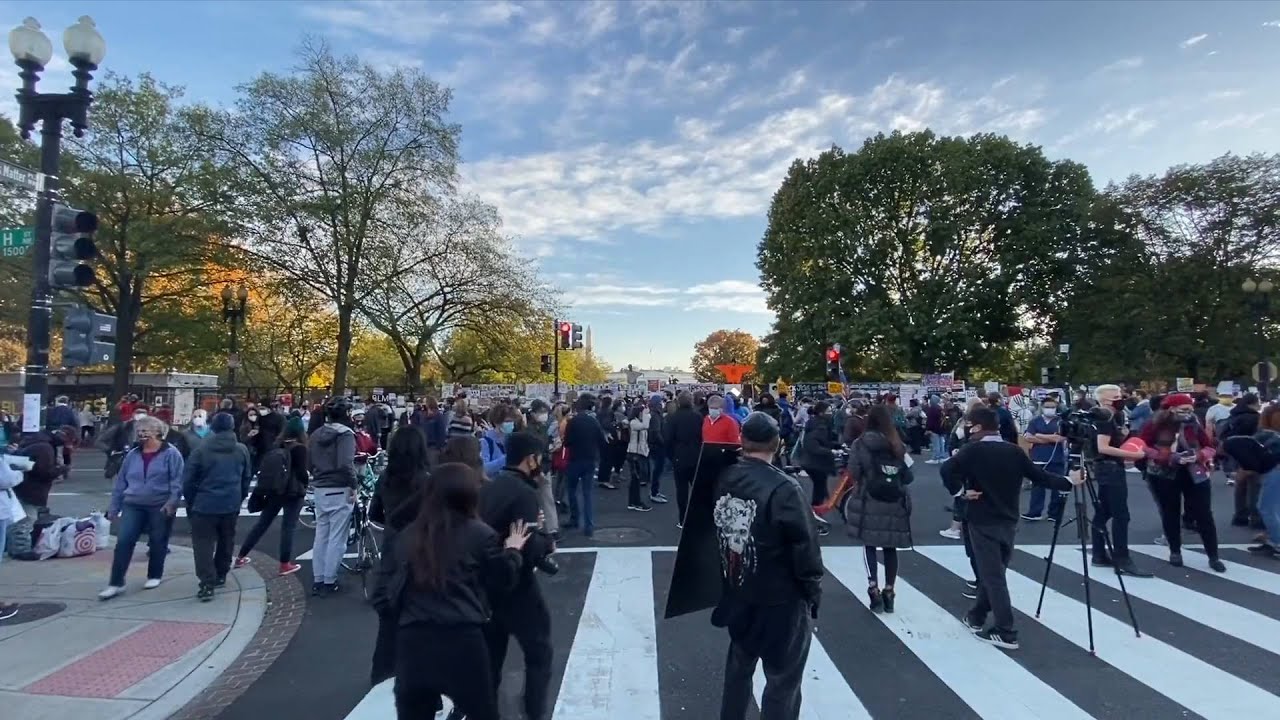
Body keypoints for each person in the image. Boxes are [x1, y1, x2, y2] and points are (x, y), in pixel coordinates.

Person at [373, 463, 531, 720]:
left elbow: (381, 594)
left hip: (413, 641)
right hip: (463, 638)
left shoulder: (406, 537)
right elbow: (503, 579)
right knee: (482, 711)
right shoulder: (480, 534)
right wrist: (513, 551)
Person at [941, 406, 1082, 650]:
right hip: (1008, 518)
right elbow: (1039, 476)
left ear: (975, 427)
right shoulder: (1014, 450)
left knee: (992, 576)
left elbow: (947, 470)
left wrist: (961, 492)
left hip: (981, 517)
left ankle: (1006, 631)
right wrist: (1069, 481)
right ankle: (976, 616)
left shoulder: (972, 450)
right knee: (994, 572)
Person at [712, 412, 823, 720]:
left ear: (742, 440)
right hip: (780, 599)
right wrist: (813, 591)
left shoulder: (723, 474)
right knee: (782, 680)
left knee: (738, 668)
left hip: (738, 587)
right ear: (778, 443)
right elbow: (806, 548)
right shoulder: (785, 488)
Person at [480, 432, 556, 720]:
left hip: (486, 586)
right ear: (530, 458)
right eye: (539, 457)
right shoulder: (525, 493)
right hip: (518, 587)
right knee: (539, 654)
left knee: (491, 660)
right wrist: (546, 543)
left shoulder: (489, 487)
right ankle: (534, 712)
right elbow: (529, 546)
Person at [1138, 393, 1224, 572]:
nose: (1188, 413)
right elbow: (1142, 446)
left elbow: (1209, 447)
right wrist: (1169, 457)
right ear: (1170, 409)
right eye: (1184, 410)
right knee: (1170, 513)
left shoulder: (1194, 424)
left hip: (1195, 472)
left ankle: (1213, 556)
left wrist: (1198, 456)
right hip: (1163, 473)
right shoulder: (1153, 425)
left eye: (1190, 409)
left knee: (1204, 514)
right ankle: (1175, 551)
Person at [101, 416, 184, 600]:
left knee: (157, 540)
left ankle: (154, 574)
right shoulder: (132, 454)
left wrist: (172, 502)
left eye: (145, 431)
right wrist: (114, 507)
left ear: (157, 432)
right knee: (124, 541)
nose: (141, 434)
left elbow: (177, 481)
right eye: (139, 431)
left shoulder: (171, 454)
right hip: (133, 503)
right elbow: (121, 482)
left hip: (159, 504)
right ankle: (116, 582)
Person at [844, 404, 914, 613]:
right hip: (894, 499)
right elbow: (908, 476)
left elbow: (854, 471)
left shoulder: (861, 443)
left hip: (869, 497)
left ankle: (873, 587)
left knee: (870, 545)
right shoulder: (897, 444)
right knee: (890, 547)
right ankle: (890, 590)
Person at [183, 412, 253, 601]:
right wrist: (240, 496)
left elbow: (188, 479)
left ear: (212, 428)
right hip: (230, 502)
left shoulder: (201, 450)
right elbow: (246, 476)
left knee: (203, 544)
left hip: (204, 503)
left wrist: (191, 500)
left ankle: (207, 581)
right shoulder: (241, 450)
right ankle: (221, 573)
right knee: (226, 539)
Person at [1085, 384, 1152, 577]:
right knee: (1121, 515)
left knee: (1103, 512)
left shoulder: (1111, 417)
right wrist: (1132, 454)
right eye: (1116, 396)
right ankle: (1122, 558)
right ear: (1105, 400)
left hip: (1106, 468)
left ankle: (1098, 554)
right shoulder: (1105, 418)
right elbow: (1103, 447)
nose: (1120, 398)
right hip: (1110, 468)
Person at [234, 422, 309, 577]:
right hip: (293, 492)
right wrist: (306, 483)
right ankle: (284, 563)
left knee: (262, 523)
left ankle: (241, 556)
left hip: (275, 490)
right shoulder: (300, 448)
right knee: (288, 527)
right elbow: (302, 472)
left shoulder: (277, 446)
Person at [309, 399, 358, 596]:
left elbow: (308, 461)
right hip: (340, 486)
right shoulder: (345, 435)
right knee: (337, 537)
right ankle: (330, 580)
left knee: (321, 535)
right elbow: (346, 463)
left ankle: (318, 578)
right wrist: (354, 484)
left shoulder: (315, 434)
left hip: (320, 487)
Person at [563, 395, 605, 538]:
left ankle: (574, 518)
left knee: (572, 490)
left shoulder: (572, 422)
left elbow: (566, 442)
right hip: (590, 459)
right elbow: (601, 440)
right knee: (587, 494)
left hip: (574, 459)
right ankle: (589, 525)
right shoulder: (594, 422)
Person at [1022, 395, 1069, 522]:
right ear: (1042, 408)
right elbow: (1027, 437)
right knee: (1037, 486)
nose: (1050, 409)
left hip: (1056, 457)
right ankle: (1035, 512)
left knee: (1057, 486)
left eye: (1052, 407)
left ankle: (1054, 514)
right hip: (1038, 457)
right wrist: (1049, 438)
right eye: (1047, 407)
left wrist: (1039, 435)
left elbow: (1060, 438)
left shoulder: (1060, 421)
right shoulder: (1035, 421)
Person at [664, 391, 704, 529]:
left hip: (679, 457)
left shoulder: (672, 418)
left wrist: (671, 456)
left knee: (681, 491)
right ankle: (699, 518)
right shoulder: (698, 417)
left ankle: (683, 519)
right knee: (697, 490)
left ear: (678, 402)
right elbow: (702, 437)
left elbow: (668, 440)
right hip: (696, 456)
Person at [797, 401, 837, 509]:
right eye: (828, 411)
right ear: (821, 413)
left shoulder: (817, 424)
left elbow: (823, 441)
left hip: (812, 461)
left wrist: (837, 446)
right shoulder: (820, 426)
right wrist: (830, 451)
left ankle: (819, 508)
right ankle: (816, 511)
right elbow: (814, 445)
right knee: (819, 488)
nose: (831, 413)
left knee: (820, 486)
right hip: (816, 462)